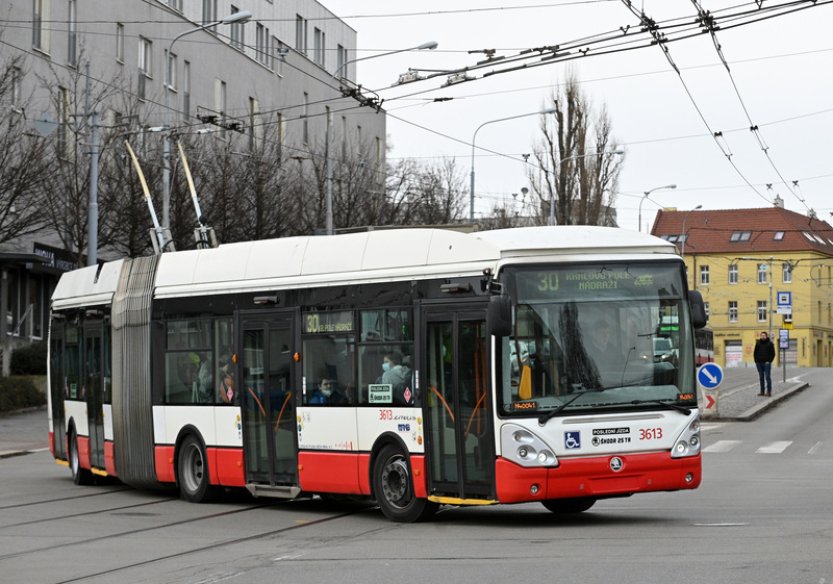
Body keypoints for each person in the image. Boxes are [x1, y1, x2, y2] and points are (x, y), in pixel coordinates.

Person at [754, 331, 776, 396]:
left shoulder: (770, 343)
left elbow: (773, 354)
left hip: (767, 364)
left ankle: (769, 392)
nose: (762, 336)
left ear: (766, 336)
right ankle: (762, 392)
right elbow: (755, 353)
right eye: (761, 335)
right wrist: (756, 361)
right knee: (761, 377)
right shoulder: (758, 343)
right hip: (759, 363)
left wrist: (769, 361)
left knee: (767, 377)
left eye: (764, 335)